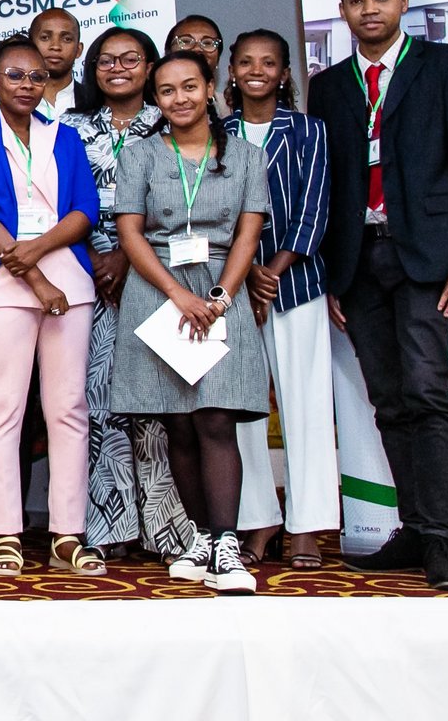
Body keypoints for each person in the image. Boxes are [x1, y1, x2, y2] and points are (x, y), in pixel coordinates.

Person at [308, 0, 448, 591]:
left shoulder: (446, 68)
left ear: (404, 1)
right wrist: (331, 271)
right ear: (343, 10)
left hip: (428, 256)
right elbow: (328, 184)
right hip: (358, 260)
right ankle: (413, 527)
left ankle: (441, 539)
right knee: (387, 398)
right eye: (356, 0)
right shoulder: (328, 86)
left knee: (427, 392)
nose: (370, 10)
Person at [112, 51, 270, 595]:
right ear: (156, 99)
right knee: (176, 420)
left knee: (215, 418)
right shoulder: (139, 157)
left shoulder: (248, 156)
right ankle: (200, 538)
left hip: (221, 289)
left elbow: (248, 233)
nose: (178, 98)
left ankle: (227, 544)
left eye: (188, 87)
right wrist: (178, 294)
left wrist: (222, 297)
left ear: (209, 90)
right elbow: (130, 234)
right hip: (158, 290)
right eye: (166, 90)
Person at [0, 35, 104, 576]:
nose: (26, 85)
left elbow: (86, 209)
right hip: (0, 284)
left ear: (49, 83)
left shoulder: (65, 137)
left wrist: (38, 252)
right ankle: (6, 535)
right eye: (14, 76)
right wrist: (36, 280)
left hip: (69, 279)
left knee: (67, 409)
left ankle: (67, 533)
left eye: (37, 77)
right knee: (3, 410)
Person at [64, 27, 194, 561]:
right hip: (85, 273)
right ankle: (110, 526)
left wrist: (127, 255)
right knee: (98, 401)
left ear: (150, 66)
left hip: (159, 274)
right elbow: (55, 199)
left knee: (158, 401)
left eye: (131, 59)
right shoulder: (69, 128)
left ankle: (168, 530)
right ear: (92, 69)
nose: (118, 68)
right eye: (106, 60)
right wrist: (94, 258)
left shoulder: (173, 123)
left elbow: (191, 199)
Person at [222, 30, 337, 569]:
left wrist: (273, 269)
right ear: (232, 71)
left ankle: (307, 524)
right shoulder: (217, 134)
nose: (257, 70)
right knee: (242, 411)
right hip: (232, 290)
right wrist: (245, 277)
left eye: (269, 62)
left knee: (305, 404)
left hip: (296, 284)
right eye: (246, 62)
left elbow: (316, 208)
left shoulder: (309, 131)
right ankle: (259, 518)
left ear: (286, 73)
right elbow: (214, 214)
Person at [27, 9, 83, 120]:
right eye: (45, 37)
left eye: (67, 39)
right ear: (30, 46)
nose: (55, 46)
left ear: (78, 50)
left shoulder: (98, 102)